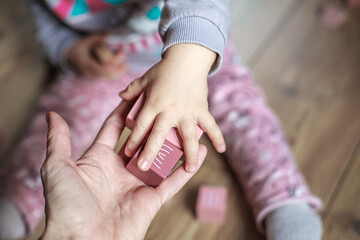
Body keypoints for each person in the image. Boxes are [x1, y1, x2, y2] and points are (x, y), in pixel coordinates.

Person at [0, 0, 323, 239]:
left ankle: (285, 199)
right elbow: (46, 18)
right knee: (63, 124)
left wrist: (188, 65)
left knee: (240, 108)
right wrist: (69, 49)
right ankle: (13, 204)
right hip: (113, 66)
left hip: (194, 53)